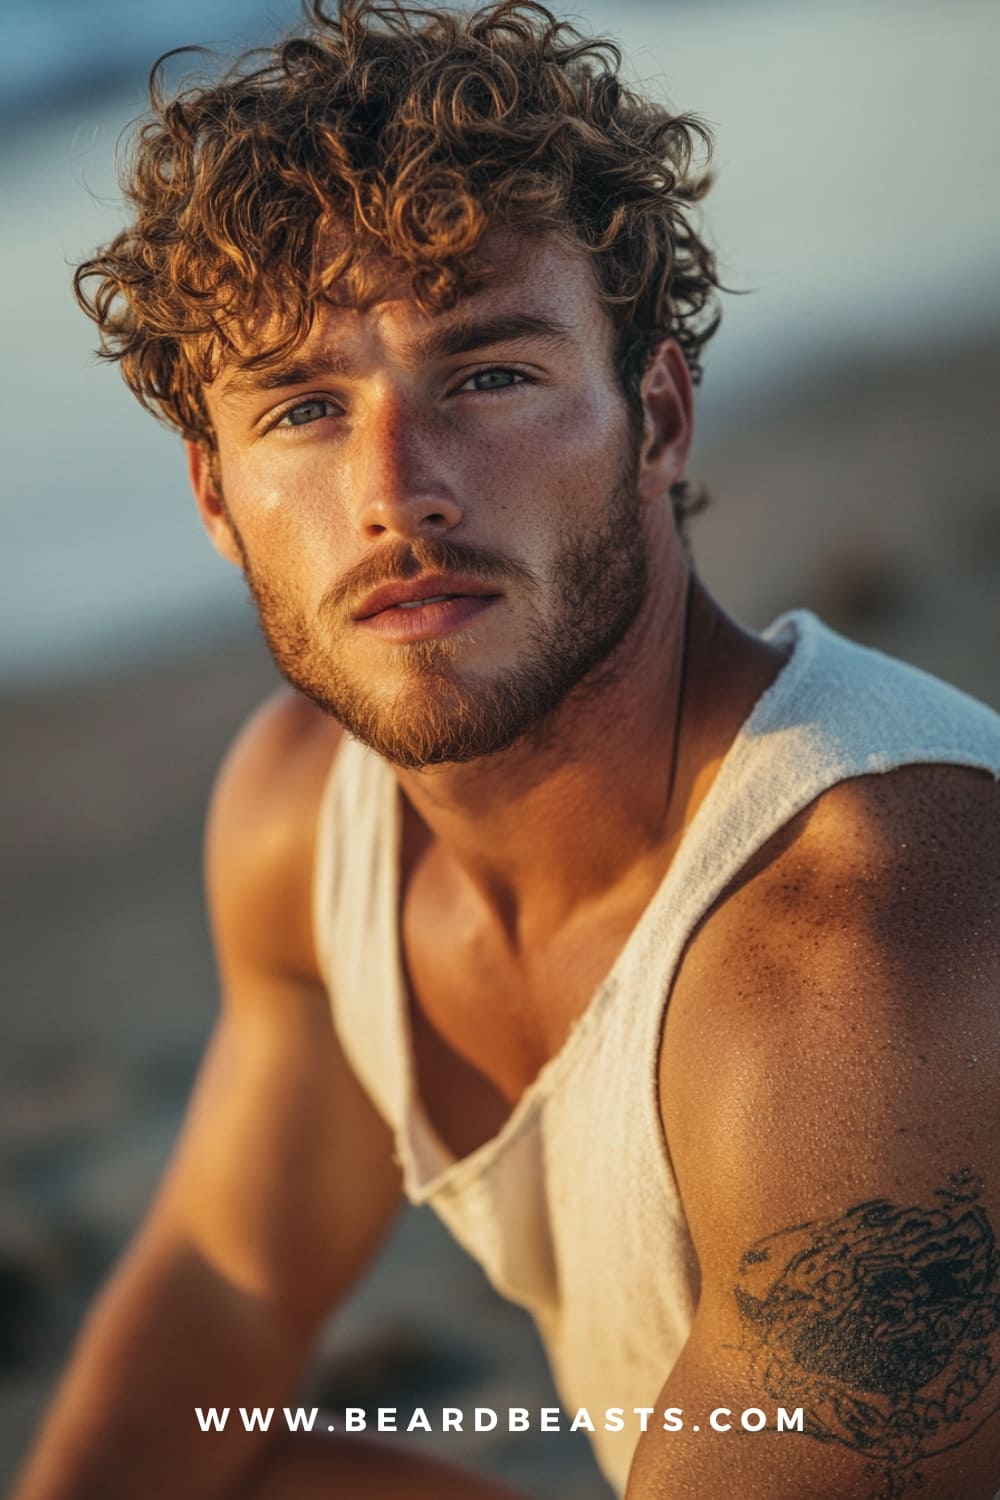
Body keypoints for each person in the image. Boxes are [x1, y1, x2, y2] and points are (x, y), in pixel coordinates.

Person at [13, 1, 1000, 1495]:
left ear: (657, 417)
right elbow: (224, 1291)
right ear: (215, 501)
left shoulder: (859, 945)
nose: (397, 492)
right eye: (303, 406)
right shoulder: (307, 823)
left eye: (487, 376)